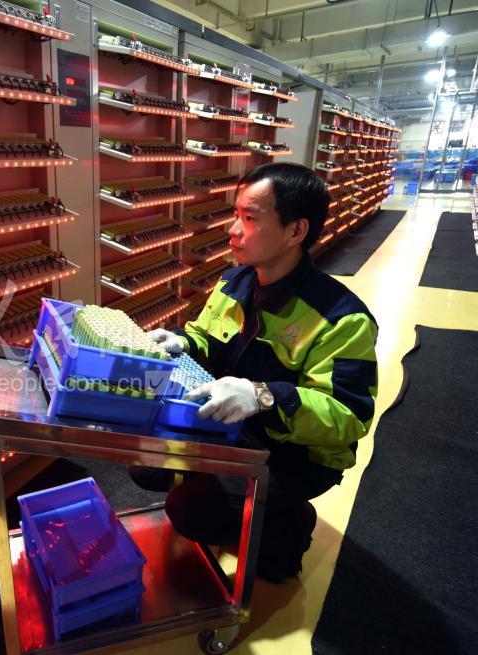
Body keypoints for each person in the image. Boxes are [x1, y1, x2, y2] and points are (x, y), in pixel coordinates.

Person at [139, 162, 378, 583]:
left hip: (296, 454)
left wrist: (263, 396)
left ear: (295, 230)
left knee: (190, 510)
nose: (233, 230)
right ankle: (237, 500)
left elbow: (349, 416)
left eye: (250, 218)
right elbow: (206, 337)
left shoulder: (341, 318)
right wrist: (181, 342)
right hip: (234, 428)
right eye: (236, 215)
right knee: (145, 465)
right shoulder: (234, 281)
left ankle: (288, 526)